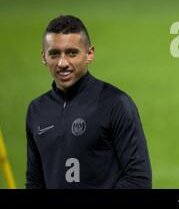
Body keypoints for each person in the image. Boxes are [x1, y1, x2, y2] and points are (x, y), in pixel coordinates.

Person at [26, 15, 151, 188]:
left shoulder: (116, 104)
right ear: (44, 57)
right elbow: (34, 182)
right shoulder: (36, 110)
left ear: (89, 54)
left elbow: (138, 180)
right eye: (54, 54)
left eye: (71, 53)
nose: (62, 63)